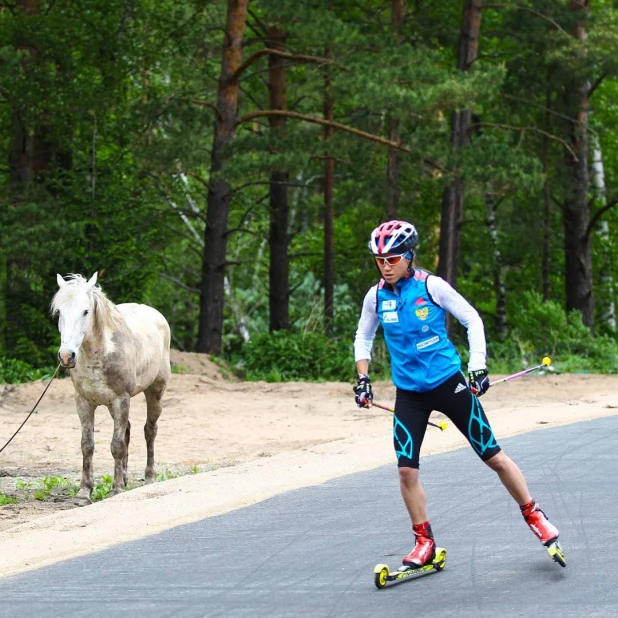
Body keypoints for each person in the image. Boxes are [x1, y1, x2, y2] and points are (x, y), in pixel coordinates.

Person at [353, 219, 561, 568]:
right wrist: (363, 378)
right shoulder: (375, 297)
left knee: (493, 456)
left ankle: (534, 514)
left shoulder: (432, 286)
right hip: (410, 394)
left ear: (408, 256)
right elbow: (363, 337)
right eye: (379, 259)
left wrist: (477, 367)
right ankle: (424, 542)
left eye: (392, 258)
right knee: (406, 471)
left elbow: (472, 319)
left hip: (450, 384)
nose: (385, 265)